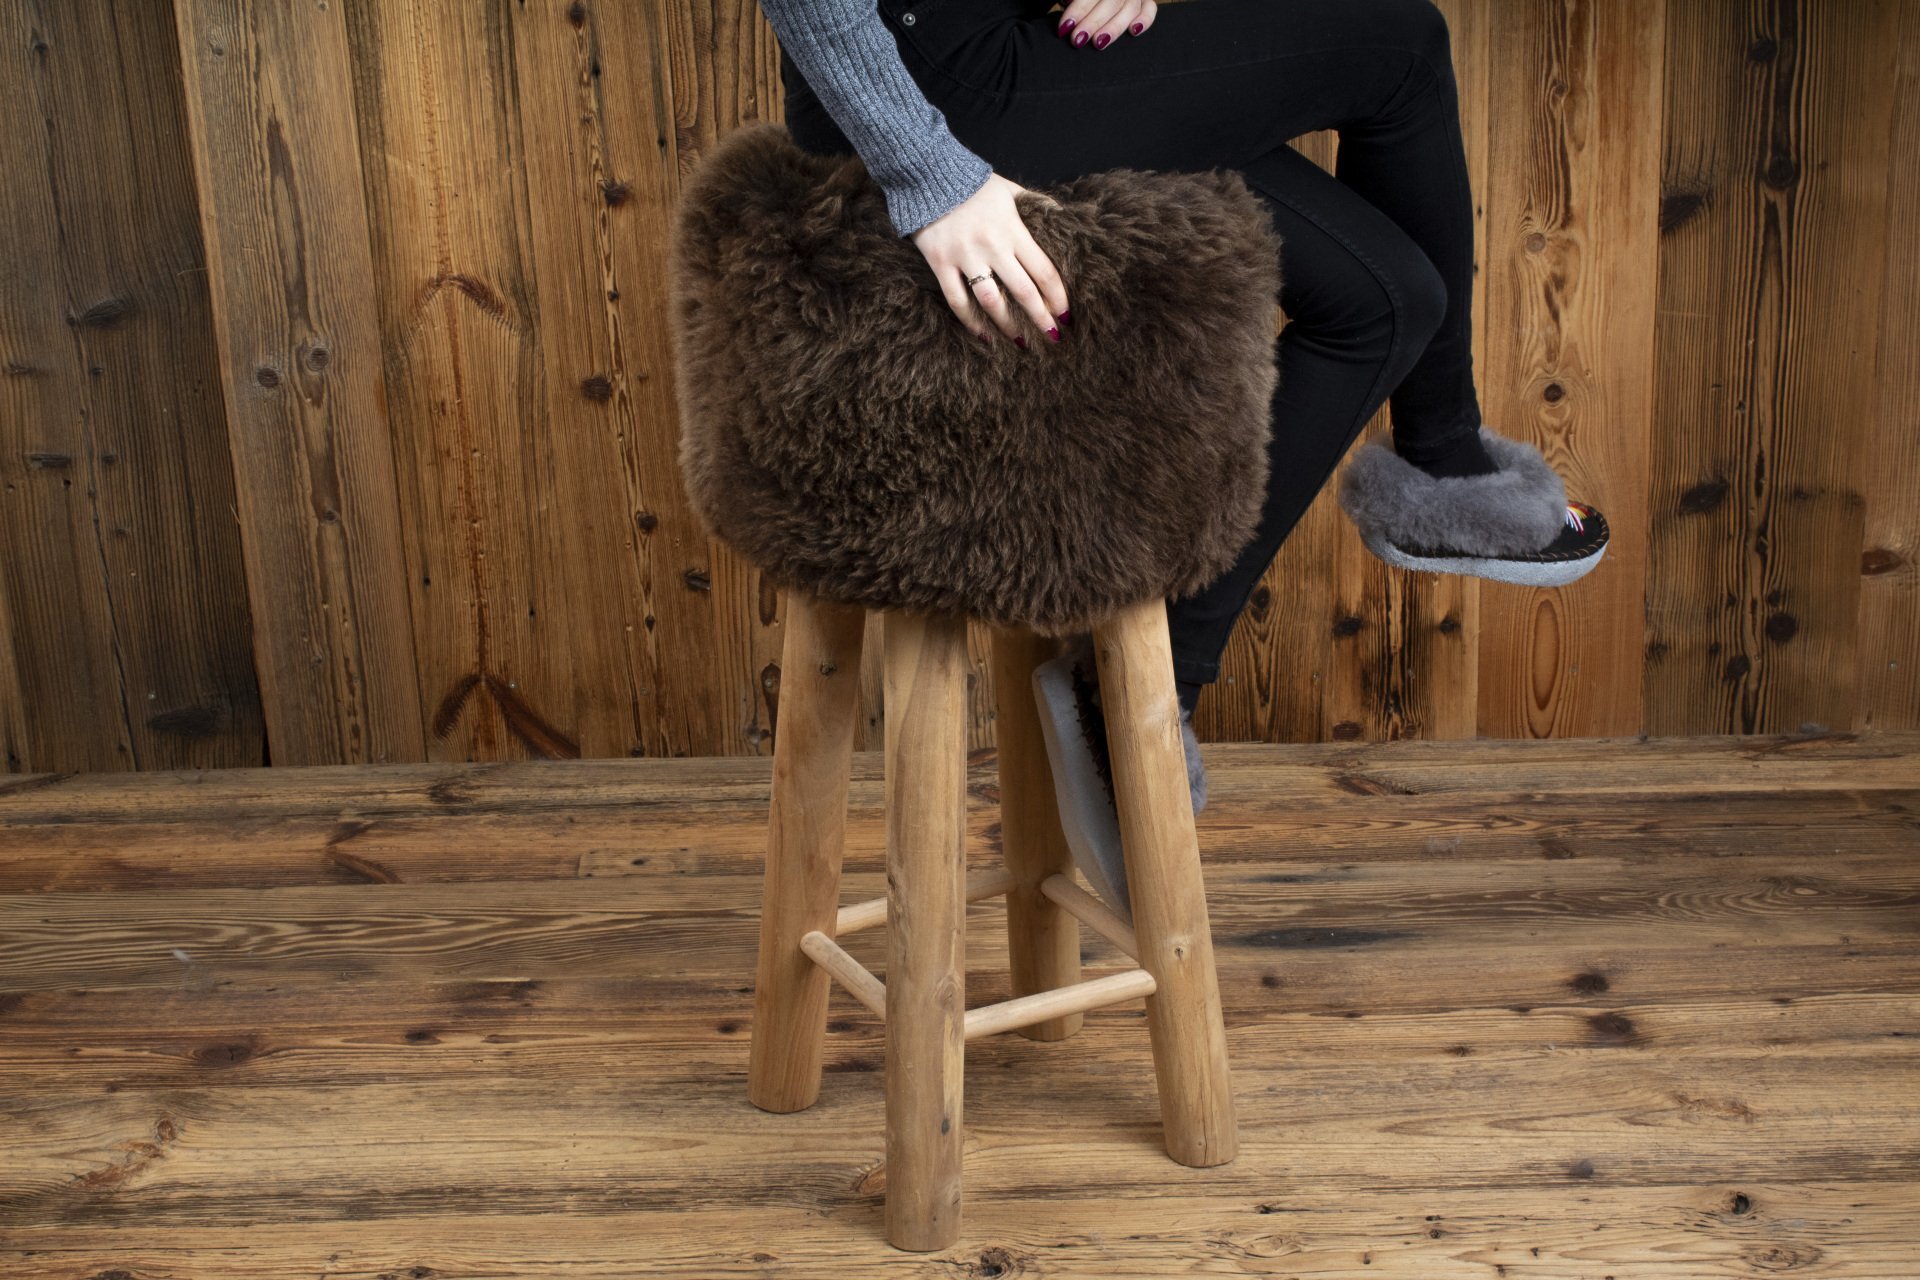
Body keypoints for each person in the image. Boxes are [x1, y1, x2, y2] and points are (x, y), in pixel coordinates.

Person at [758, 0, 1607, 920]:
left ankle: (1148, 680)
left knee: (1388, 296)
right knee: (1403, 45)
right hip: (929, 83)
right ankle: (1443, 463)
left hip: (991, 52)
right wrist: (931, 175)